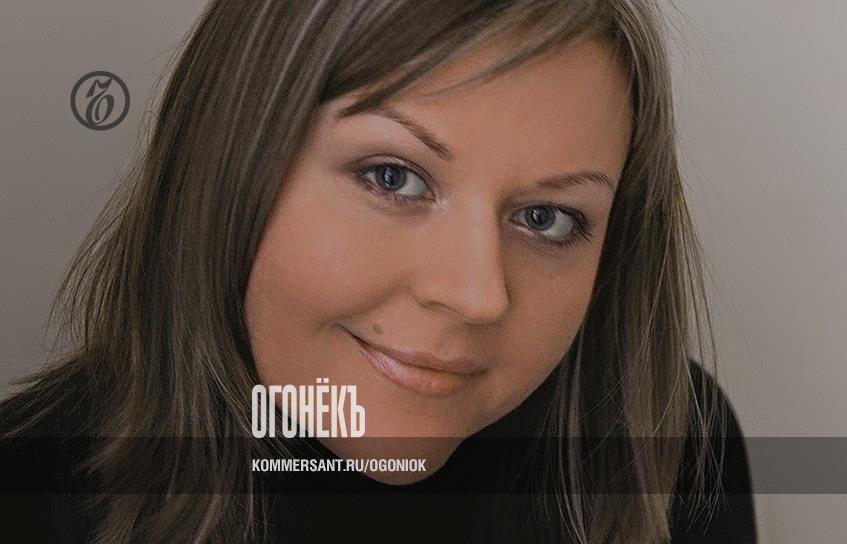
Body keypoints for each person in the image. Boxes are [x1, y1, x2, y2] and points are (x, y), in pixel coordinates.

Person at [0, 1, 757, 542]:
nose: (477, 295)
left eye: (546, 218)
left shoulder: (669, 447)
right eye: (393, 177)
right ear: (227, 167)